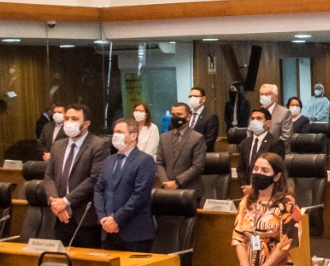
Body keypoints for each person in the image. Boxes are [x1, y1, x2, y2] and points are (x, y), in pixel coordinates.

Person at [42, 103, 108, 249]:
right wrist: (56, 203)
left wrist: (65, 201)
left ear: (86, 124)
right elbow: (49, 177)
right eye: (66, 118)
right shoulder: (58, 145)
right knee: (61, 265)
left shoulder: (99, 145)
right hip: (60, 216)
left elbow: (94, 179)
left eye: (74, 119)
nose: (68, 122)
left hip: (85, 218)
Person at [93, 118, 157, 252]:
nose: (115, 135)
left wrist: (116, 219)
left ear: (133, 136)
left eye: (120, 132)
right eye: (114, 132)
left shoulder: (144, 160)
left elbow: (140, 195)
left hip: (134, 233)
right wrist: (103, 217)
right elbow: (99, 189)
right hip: (108, 232)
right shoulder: (109, 160)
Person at [155, 102, 207, 195]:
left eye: (179, 114)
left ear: (188, 117)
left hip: (189, 190)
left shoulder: (197, 138)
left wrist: (177, 182)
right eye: (173, 114)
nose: (175, 117)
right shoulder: (164, 137)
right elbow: (159, 163)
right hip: (166, 189)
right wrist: (166, 183)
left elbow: (198, 166)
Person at [238, 109, 284, 186]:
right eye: (252, 119)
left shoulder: (276, 143)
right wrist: (245, 187)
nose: (254, 121)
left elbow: (275, 169)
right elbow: (240, 169)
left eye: (259, 118)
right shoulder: (244, 143)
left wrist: (255, 188)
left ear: (268, 123)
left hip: (267, 188)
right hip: (246, 190)